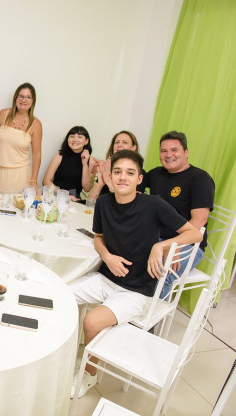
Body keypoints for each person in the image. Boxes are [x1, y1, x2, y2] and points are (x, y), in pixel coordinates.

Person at [69, 149, 202, 398]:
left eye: (130, 173)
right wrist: (107, 256)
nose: (123, 177)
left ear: (139, 179)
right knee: (61, 294)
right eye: (118, 172)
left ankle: (89, 374)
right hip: (107, 278)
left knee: (92, 321)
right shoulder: (104, 203)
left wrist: (160, 246)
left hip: (138, 290)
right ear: (110, 175)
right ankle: (60, 352)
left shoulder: (153, 204)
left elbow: (194, 234)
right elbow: (98, 238)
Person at [143, 131, 214, 298]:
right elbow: (131, 188)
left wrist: (175, 247)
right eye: (164, 151)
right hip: (156, 239)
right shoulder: (156, 174)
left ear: (186, 152)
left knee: (159, 274)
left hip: (188, 244)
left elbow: (200, 220)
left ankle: (153, 314)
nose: (168, 155)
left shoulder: (200, 179)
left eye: (174, 150)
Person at [0, 83, 43, 194]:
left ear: (33, 101)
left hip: (19, 175)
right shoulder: (3, 114)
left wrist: (34, 180)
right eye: (21, 96)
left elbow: (36, 154)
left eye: (28, 97)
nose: (24, 100)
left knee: (14, 204)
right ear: (16, 98)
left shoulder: (36, 124)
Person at [86, 130, 146, 200]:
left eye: (125, 142)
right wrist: (100, 183)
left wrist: (109, 182)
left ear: (133, 147)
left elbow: (129, 203)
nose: (119, 145)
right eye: (117, 142)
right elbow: (89, 202)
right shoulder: (107, 168)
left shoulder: (138, 173)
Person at [42, 126, 92, 201]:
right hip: (54, 195)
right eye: (72, 136)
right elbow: (46, 181)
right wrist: (64, 195)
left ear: (86, 141)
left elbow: (87, 188)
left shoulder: (90, 160)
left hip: (74, 199)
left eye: (79, 137)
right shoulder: (59, 155)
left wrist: (85, 164)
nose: (75, 140)